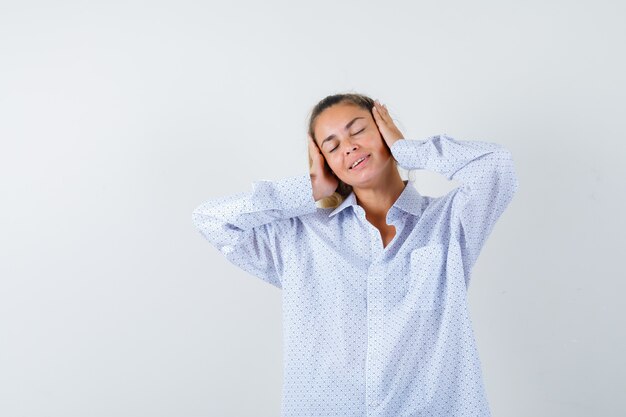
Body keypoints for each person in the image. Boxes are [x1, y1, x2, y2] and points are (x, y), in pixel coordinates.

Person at [192, 92, 519, 417]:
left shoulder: (449, 221)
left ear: (383, 129)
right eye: (332, 146)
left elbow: (496, 165)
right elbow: (212, 220)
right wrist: (309, 189)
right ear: (324, 162)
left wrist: (408, 150)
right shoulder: (299, 236)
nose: (348, 146)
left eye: (358, 130)